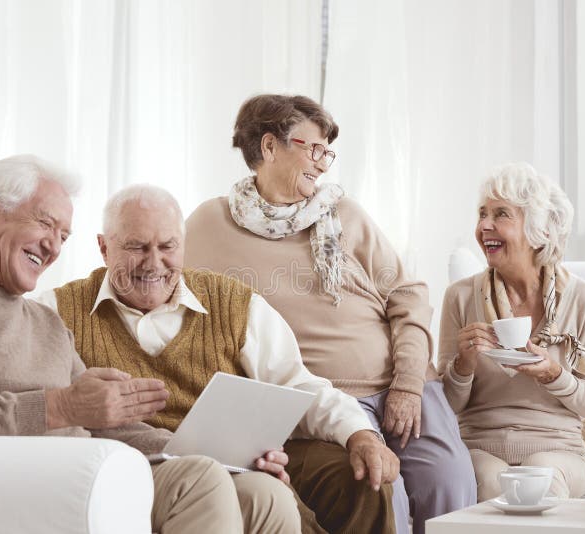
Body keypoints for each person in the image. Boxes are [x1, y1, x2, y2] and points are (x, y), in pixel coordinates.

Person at [0, 154, 286, 533]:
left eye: (64, 235)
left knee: (262, 496)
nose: (54, 247)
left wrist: (225, 454)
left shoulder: (43, 320)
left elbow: (108, 423)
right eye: (46, 223)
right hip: (23, 484)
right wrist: (61, 406)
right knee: (200, 482)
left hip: (91, 474)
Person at [184, 93, 476, 534]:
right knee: (383, 490)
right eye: (314, 149)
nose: (323, 165)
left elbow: (408, 296)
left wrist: (410, 384)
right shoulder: (209, 225)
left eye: (327, 153)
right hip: (321, 404)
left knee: (448, 487)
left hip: (403, 388)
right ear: (269, 147)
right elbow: (170, 295)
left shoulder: (345, 215)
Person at [39, 184, 400, 534]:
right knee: (259, 493)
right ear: (103, 248)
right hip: (130, 472)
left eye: (168, 247)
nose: (154, 263)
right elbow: (49, 415)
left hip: (234, 467)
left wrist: (361, 435)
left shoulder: (234, 303)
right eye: (136, 247)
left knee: (327, 484)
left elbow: (299, 386)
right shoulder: (55, 312)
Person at [437, 162, 585, 501]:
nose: (484, 226)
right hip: (478, 445)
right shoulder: (459, 296)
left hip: (560, 449)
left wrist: (554, 375)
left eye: (501, 214)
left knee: (541, 475)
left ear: (539, 230)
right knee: (489, 482)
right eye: (482, 213)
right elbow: (445, 405)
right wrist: (464, 365)